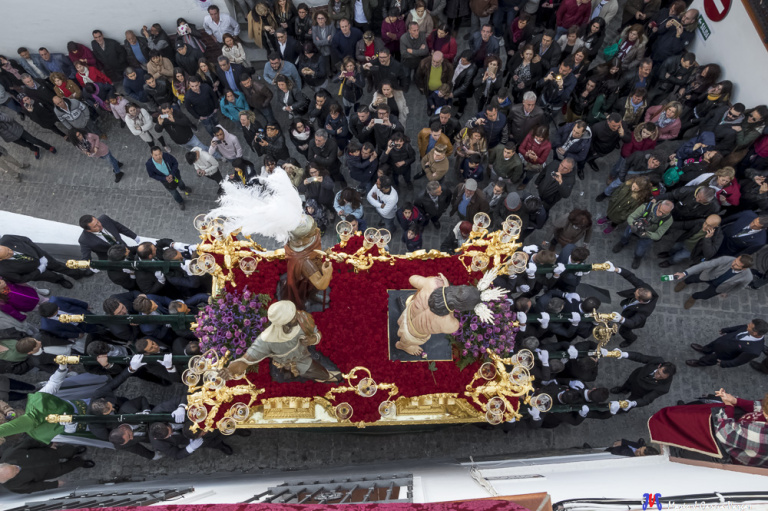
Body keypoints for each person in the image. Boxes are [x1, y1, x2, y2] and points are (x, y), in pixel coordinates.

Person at [224, 300, 340, 382]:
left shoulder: (302, 318)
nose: (297, 316)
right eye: (293, 317)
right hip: (284, 368)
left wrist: (313, 339)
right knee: (323, 376)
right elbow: (246, 360)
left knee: (325, 374)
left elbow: (316, 333)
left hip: (304, 359)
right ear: (284, 323)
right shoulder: (266, 339)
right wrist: (229, 371)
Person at [0, 438, 94, 493]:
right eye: (15, 473)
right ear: (7, 480)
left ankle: (75, 451)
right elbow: (34, 487)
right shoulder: (12, 486)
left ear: (5, 464)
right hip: (48, 472)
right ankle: (79, 462)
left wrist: (48, 444)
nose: (17, 469)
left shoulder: (10, 453)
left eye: (14, 468)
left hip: (49, 453)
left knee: (67, 450)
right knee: (67, 467)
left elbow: (29, 442)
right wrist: (54, 484)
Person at [0, 235, 92, 288]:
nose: (11, 252)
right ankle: (60, 280)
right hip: (35, 272)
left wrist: (40, 255)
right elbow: (21, 279)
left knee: (59, 265)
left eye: (8, 249)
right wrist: (39, 270)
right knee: (50, 276)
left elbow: (26, 240)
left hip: (41, 256)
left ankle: (78, 274)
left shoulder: (7, 239)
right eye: (7, 255)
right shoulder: (3, 270)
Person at [604, 262, 658, 347]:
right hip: (630, 309)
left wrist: (621, 319)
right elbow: (631, 277)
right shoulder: (644, 288)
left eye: (635, 295)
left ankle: (631, 339)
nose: (634, 292)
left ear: (640, 300)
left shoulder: (644, 311)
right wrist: (616, 269)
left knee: (623, 331)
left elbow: (632, 322)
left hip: (631, 318)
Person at [673, 254, 754, 309]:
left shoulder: (748, 277)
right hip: (709, 275)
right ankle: (684, 282)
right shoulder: (727, 259)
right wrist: (685, 273)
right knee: (692, 279)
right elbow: (705, 265)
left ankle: (693, 298)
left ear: (744, 269)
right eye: (735, 261)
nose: (733, 264)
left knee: (705, 296)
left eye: (737, 265)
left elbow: (740, 287)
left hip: (719, 287)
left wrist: (728, 293)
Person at [612, 199, 674, 269]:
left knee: (640, 249)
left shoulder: (668, 220)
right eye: (660, 211)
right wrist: (633, 225)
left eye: (664, 214)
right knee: (625, 235)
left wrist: (646, 234)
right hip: (635, 227)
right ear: (659, 205)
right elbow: (631, 217)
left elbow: (658, 235)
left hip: (648, 235)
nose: (660, 214)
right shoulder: (646, 207)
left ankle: (637, 258)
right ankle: (622, 243)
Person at [687, 320, 768, 368]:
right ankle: (704, 350)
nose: (747, 326)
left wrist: (724, 364)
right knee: (711, 345)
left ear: (755, 333)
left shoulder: (754, 350)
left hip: (723, 354)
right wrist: (726, 330)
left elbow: (739, 361)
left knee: (710, 359)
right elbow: (739, 327)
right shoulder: (749, 327)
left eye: (749, 326)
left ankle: (700, 362)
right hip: (721, 341)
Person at [610, 350, 676, 408]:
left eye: (661, 377)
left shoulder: (664, 388)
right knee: (627, 385)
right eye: (658, 373)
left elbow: (647, 400)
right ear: (659, 366)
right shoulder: (657, 360)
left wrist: (632, 404)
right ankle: (623, 390)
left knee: (627, 406)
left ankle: (621, 410)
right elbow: (641, 357)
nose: (657, 376)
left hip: (639, 393)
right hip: (635, 377)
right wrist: (623, 354)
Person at [145, 146, 193, 210]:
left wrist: (172, 174)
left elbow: (175, 163)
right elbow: (152, 175)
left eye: (159, 154)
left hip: (175, 176)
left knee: (180, 182)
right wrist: (164, 178)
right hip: (166, 182)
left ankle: (184, 188)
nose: (158, 156)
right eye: (156, 155)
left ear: (161, 153)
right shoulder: (149, 164)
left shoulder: (166, 156)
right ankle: (180, 202)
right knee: (174, 193)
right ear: (152, 155)